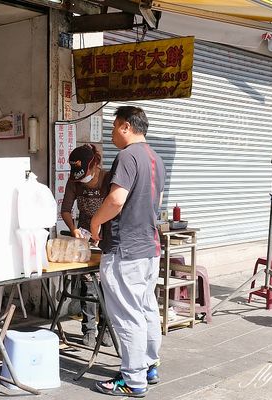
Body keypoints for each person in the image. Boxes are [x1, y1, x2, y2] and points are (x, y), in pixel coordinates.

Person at [90, 106, 166, 397]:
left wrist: (96, 221)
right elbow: (156, 201)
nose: (112, 134)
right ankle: (149, 366)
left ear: (124, 126)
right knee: (146, 308)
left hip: (126, 249)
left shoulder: (127, 156)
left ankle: (133, 380)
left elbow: (117, 199)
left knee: (127, 315)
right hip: (149, 247)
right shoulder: (156, 158)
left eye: (113, 128)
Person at [60, 144, 113, 348]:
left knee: (108, 284)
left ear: (96, 165)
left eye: (86, 174)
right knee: (89, 285)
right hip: (85, 238)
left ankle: (107, 327)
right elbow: (65, 210)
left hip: (107, 237)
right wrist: (74, 229)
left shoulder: (109, 180)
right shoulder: (75, 182)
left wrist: (101, 229)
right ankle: (89, 328)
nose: (83, 179)